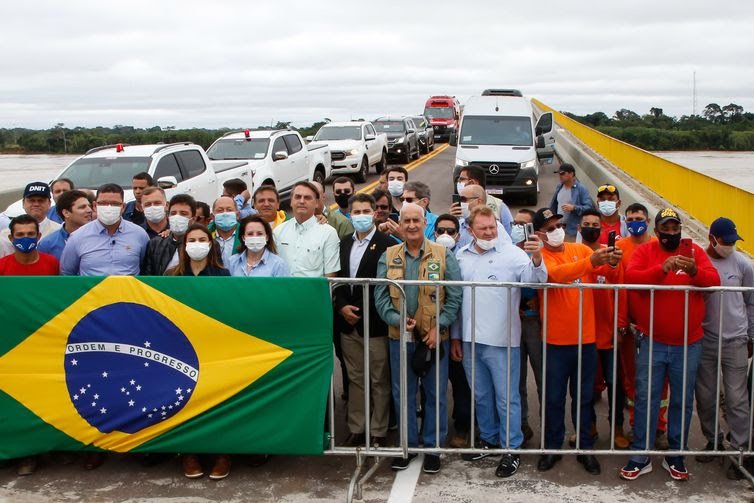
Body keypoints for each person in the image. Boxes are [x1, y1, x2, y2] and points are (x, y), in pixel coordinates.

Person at [619, 208, 720, 482]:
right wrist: (661, 269)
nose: (671, 233)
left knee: (682, 401)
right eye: (666, 228)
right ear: (657, 230)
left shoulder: (694, 252)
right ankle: (640, 455)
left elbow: (713, 281)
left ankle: (676, 455)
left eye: (676, 229)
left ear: (680, 230)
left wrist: (695, 271)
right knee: (645, 398)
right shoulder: (645, 252)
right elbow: (632, 279)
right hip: (651, 340)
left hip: (689, 344)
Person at [452, 206, 547, 478]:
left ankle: (511, 447)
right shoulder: (462, 255)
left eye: (492, 227)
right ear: (471, 231)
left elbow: (536, 280)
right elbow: (459, 300)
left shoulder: (513, 255)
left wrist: (537, 257)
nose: (489, 232)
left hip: (503, 340)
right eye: (483, 228)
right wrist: (457, 335)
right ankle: (490, 439)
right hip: (470, 339)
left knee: (507, 398)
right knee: (481, 395)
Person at [375, 203, 462, 474]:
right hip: (400, 337)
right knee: (404, 394)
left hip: (434, 337)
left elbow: (455, 296)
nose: (411, 225)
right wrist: (397, 320)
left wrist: (441, 327)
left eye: (416, 220)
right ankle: (408, 447)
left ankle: (433, 448)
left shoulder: (444, 254)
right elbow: (380, 295)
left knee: (435, 392)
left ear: (425, 222)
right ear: (399, 224)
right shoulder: (388, 256)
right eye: (406, 221)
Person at [534, 208, 622, 476]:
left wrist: (614, 261)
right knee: (554, 399)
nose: (557, 230)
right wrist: (592, 262)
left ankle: (585, 448)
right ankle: (552, 448)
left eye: (558, 224)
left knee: (584, 399)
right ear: (539, 234)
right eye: (549, 228)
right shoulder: (539, 258)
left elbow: (608, 272)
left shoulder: (580, 250)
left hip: (586, 340)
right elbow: (557, 275)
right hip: (555, 341)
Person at [164, 224, 231, 479]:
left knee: (216, 400)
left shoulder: (223, 275)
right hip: (180, 348)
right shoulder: (172, 276)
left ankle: (222, 454)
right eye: (192, 239)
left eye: (202, 239)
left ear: (211, 244)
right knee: (184, 400)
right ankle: (188, 453)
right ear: (184, 245)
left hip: (214, 346)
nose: (197, 243)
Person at [695, 217, 753, 480]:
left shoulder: (742, 264)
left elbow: (751, 301)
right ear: (712, 238)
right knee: (705, 397)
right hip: (705, 340)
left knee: (737, 399)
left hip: (736, 341)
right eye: (726, 241)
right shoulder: (699, 261)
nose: (730, 245)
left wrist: (751, 334)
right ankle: (713, 441)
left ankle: (741, 451)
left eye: (732, 241)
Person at [0, 214, 59, 475]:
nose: (26, 239)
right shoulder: (2, 266)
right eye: (20, 235)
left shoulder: (51, 264)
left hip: (43, 341)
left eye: (30, 234)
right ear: (11, 238)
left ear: (39, 236)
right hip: (11, 342)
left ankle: (38, 451)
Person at [333, 193, 393, 447]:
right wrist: (342, 306)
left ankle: (379, 429)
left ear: (374, 213)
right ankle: (358, 426)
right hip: (348, 324)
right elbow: (338, 279)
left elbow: (388, 286)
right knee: (355, 378)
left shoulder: (387, 244)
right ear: (349, 214)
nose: (361, 216)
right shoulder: (343, 243)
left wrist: (362, 308)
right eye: (355, 212)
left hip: (376, 323)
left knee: (379, 378)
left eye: (365, 211)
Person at [615, 203, 668, 449]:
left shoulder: (659, 247)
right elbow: (620, 287)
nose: (635, 221)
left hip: (658, 324)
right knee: (632, 379)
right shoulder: (620, 248)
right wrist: (623, 322)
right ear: (625, 221)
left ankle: (658, 425)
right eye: (630, 218)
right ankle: (637, 425)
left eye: (639, 217)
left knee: (661, 379)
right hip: (632, 327)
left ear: (648, 221)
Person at [578, 209, 629, 449]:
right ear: (579, 228)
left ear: (602, 229)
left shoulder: (613, 256)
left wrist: (620, 324)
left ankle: (617, 428)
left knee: (615, 385)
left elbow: (621, 290)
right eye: (586, 223)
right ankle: (588, 427)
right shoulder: (574, 253)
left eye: (594, 224)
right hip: (582, 334)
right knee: (584, 387)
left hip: (608, 334)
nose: (590, 227)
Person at [433, 213, 472, 448]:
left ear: (458, 235)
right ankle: (434, 427)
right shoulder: (427, 255)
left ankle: (462, 427)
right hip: (430, 330)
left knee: (460, 383)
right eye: (440, 231)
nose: (445, 235)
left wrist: (455, 335)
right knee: (431, 382)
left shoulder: (465, 258)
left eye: (450, 231)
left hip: (456, 330)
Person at [60, 183, 150, 276]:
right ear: (95, 206)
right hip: (93, 290)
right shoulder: (77, 237)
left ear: (123, 207)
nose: (109, 207)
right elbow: (67, 274)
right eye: (103, 203)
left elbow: (146, 268)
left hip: (128, 290)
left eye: (115, 204)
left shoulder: (139, 234)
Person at [510, 208, 543, 443]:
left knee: (544, 377)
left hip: (536, 324)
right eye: (515, 223)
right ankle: (522, 424)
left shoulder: (541, 252)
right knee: (516, 378)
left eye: (523, 224)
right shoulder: (508, 251)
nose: (518, 227)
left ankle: (550, 427)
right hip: (513, 323)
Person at [273, 181, 340, 278]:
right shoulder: (278, 231)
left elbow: (330, 275)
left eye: (307, 198)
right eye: (297, 197)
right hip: (282, 291)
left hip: (313, 292)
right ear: (291, 201)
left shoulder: (328, 233)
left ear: (316, 203)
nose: (301, 201)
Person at [0, 182, 62, 258]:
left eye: (41, 200)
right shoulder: (5, 236)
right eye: (31, 200)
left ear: (49, 203)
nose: (36, 204)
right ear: (23, 203)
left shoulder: (59, 232)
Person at [140, 194, 196, 275]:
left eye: (183, 213)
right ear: (168, 216)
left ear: (193, 219)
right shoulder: (155, 244)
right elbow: (148, 276)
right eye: (173, 213)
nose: (177, 217)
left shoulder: (202, 244)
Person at [453, 165, 513, 235]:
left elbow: (510, 234)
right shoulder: (459, 205)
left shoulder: (499, 206)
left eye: (461, 179)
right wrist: (453, 219)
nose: (459, 183)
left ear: (472, 182)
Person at [38, 189, 93, 260]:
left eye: (89, 206)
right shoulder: (47, 244)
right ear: (66, 213)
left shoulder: (101, 237)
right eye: (82, 207)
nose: (89, 210)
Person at [455, 185, 511, 250]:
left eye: (463, 199)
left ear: (479, 201)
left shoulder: (497, 228)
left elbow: (507, 252)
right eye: (460, 199)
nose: (461, 203)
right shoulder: (459, 224)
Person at [548, 163, 594, 241]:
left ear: (571, 174)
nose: (560, 176)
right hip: (558, 228)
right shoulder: (559, 186)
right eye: (559, 174)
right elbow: (554, 205)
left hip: (572, 231)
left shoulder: (581, 189)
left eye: (563, 173)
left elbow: (589, 208)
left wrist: (574, 208)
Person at [210, 196, 241, 266]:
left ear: (237, 215)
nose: (225, 214)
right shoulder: (204, 236)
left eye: (229, 210)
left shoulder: (246, 235)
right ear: (212, 216)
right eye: (220, 210)